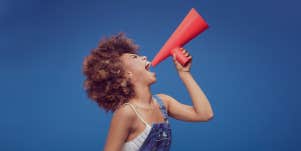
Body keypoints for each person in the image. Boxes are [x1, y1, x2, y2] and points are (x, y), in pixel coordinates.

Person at [82, 33, 214, 151]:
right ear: (126, 74)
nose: (144, 56)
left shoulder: (163, 102)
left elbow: (205, 114)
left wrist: (184, 73)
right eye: (134, 57)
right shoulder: (126, 113)